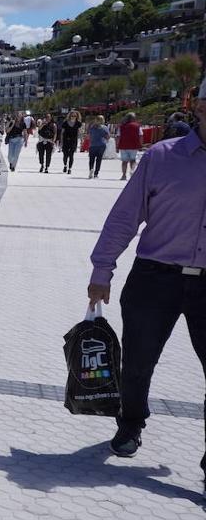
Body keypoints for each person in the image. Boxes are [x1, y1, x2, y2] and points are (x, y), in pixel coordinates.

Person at [87, 74, 206, 486]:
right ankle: (130, 423)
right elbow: (125, 217)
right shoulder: (162, 157)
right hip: (156, 276)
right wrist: (102, 270)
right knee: (138, 363)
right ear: (198, 109)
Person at [116, 112, 142, 180]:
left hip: (123, 145)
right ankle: (132, 171)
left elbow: (118, 136)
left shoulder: (121, 126)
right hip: (134, 145)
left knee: (124, 161)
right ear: (134, 118)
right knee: (133, 160)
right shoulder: (137, 126)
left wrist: (117, 146)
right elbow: (140, 136)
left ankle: (124, 175)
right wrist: (140, 145)